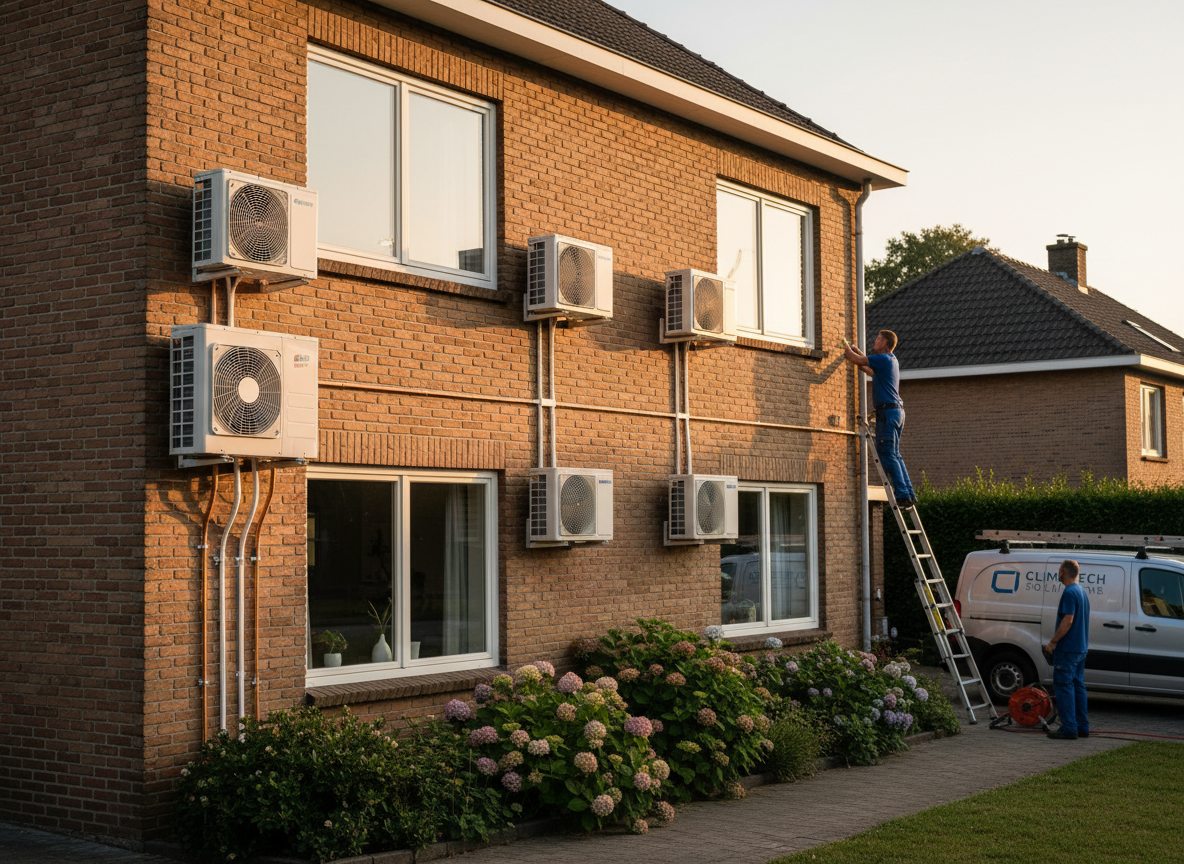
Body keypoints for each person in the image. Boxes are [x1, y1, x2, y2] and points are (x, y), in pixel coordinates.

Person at [843, 329, 917, 508]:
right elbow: (867, 368)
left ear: (885, 343)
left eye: (878, 339)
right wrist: (857, 352)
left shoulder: (883, 359)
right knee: (895, 454)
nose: (875, 341)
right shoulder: (890, 361)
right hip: (896, 413)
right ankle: (908, 493)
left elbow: (857, 360)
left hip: (888, 414)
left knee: (887, 454)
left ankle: (902, 495)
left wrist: (844, 344)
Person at [1044, 559, 1090, 740]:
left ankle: (1069, 728)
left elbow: (1068, 620)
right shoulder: (1082, 592)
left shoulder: (1070, 592)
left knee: (1064, 686)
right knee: (1078, 686)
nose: (1058, 573)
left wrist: (1053, 642)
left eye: (1059, 570)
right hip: (1080, 648)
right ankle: (1082, 726)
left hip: (1068, 649)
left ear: (1063, 572)